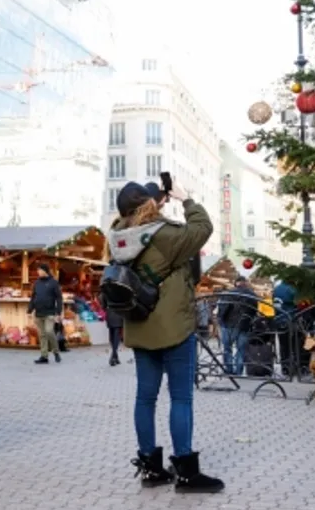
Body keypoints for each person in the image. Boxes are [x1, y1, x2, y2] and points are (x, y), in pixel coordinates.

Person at [110, 181, 223, 494]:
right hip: (174, 328)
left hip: (140, 327)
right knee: (181, 399)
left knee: (144, 399)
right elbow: (202, 228)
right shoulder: (163, 235)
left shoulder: (118, 236)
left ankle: (150, 469)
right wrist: (186, 200)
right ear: (150, 204)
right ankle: (186, 472)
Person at [218, 277, 257, 375]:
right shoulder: (252, 295)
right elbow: (254, 311)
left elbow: (224, 308)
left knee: (227, 348)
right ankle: (239, 371)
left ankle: (229, 369)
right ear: (246, 283)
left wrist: (221, 319)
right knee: (241, 349)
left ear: (236, 283)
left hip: (229, 324)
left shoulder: (230, 293)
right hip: (244, 325)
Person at [27, 263, 64, 364]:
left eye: (39, 270)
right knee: (42, 335)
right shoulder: (37, 283)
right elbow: (33, 297)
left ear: (45, 271)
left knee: (49, 331)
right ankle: (44, 356)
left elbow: (59, 298)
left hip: (50, 313)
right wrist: (29, 310)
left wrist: (59, 312)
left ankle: (56, 351)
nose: (38, 272)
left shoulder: (53, 283)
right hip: (38, 312)